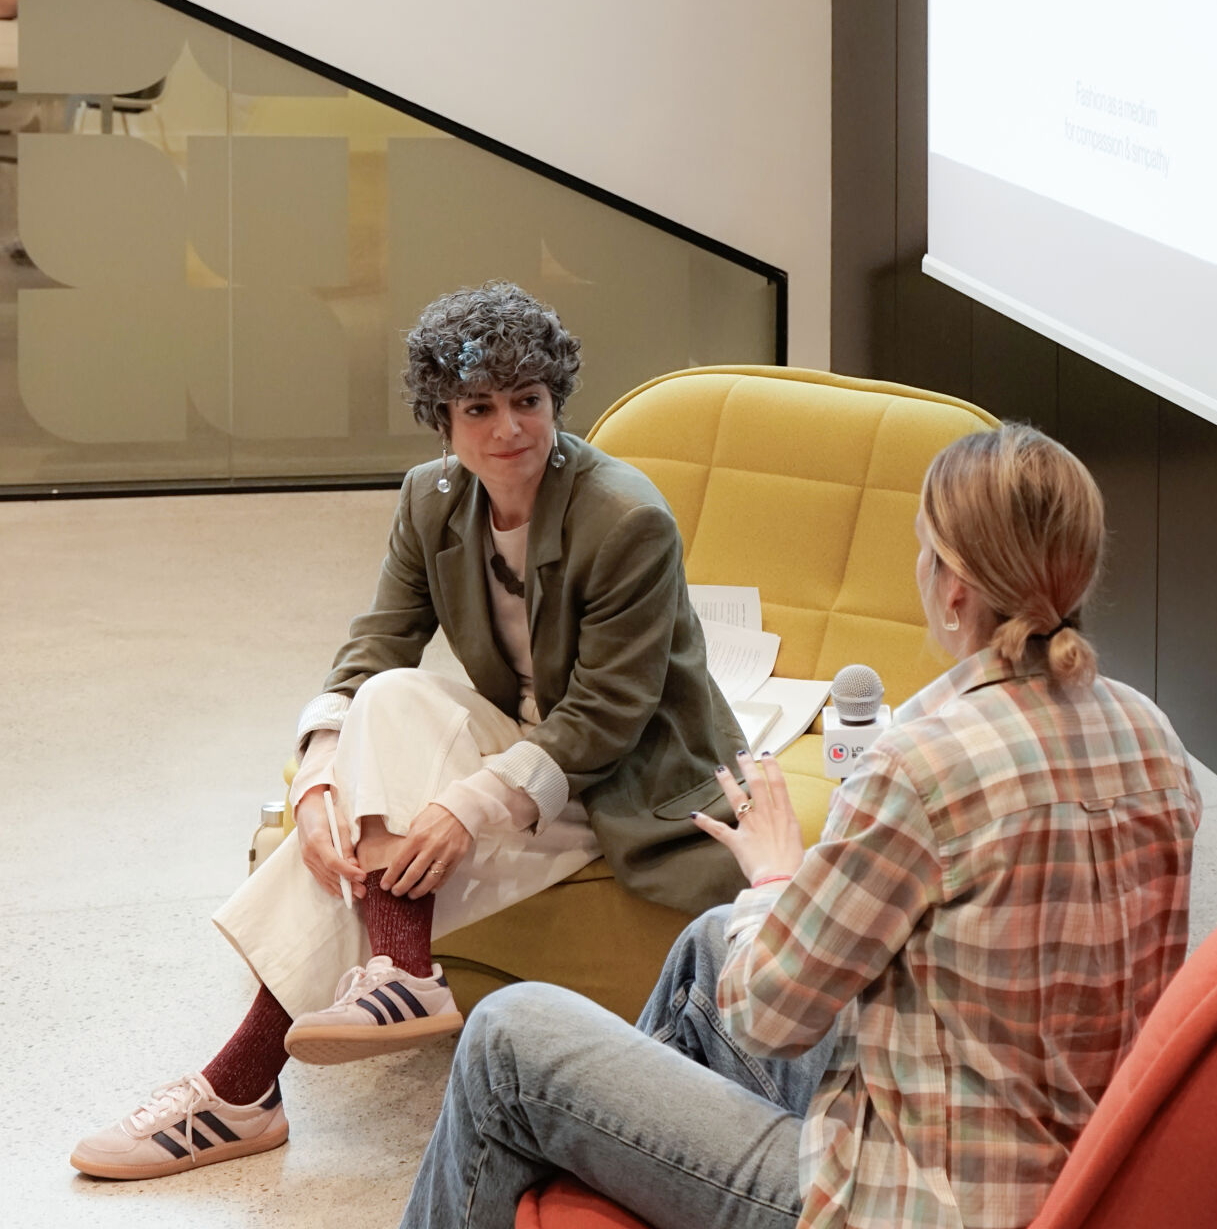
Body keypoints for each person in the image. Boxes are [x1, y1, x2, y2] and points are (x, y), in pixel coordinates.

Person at [398, 423, 1204, 1229]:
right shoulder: (1152, 736)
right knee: (710, 942)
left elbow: (771, 1017)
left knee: (508, 1039)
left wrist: (777, 876)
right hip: (1074, 1171)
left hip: (910, 1204)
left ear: (953, 588)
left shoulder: (920, 766)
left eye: (924, 549)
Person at [70, 280, 745, 1181]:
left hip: (626, 778)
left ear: (556, 401)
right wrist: (313, 787)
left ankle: (239, 1089)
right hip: (524, 739)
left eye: (529, 401)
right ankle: (401, 973)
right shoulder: (430, 500)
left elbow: (606, 717)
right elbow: (377, 643)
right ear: (443, 422)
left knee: (393, 836)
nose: (510, 429)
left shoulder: (628, 519)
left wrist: (466, 807)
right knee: (388, 695)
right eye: (479, 407)